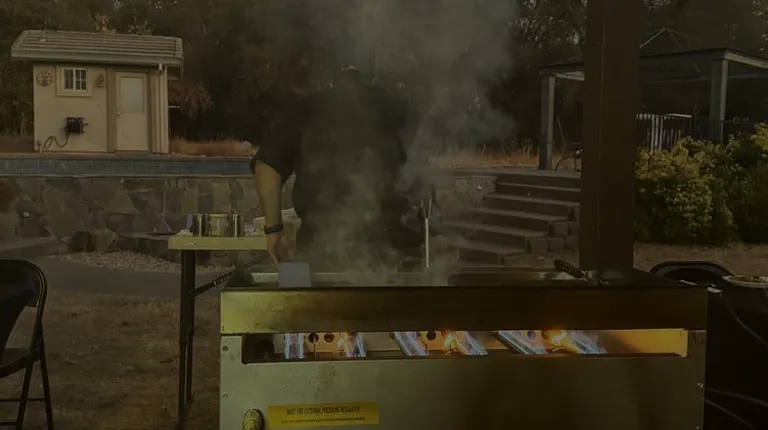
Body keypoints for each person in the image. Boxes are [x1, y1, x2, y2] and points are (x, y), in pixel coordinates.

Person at [250, 66, 424, 269]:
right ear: (371, 77)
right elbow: (423, 163)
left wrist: (274, 230)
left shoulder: (308, 110)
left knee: (323, 290)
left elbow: (266, 168)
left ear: (332, 80)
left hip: (321, 245)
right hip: (390, 246)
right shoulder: (395, 108)